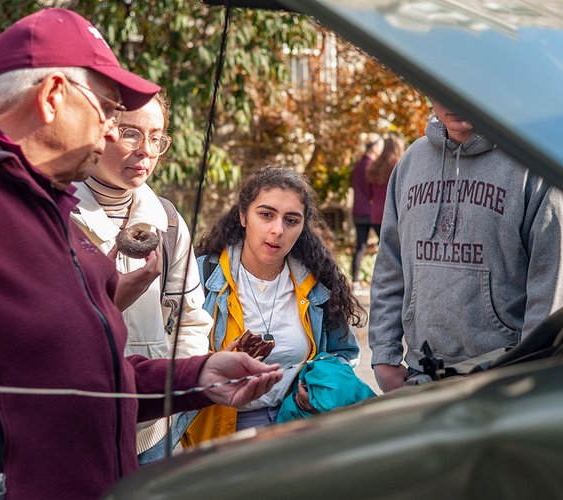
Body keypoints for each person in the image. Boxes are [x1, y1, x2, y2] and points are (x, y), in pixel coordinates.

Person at [0, 8, 281, 499]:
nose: (108, 132)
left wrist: (197, 375)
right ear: (53, 96)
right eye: (106, 109)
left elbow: (92, 376)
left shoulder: (55, 211)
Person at [369, 97, 563, 392]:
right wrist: (384, 354)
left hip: (502, 378)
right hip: (421, 374)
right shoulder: (411, 161)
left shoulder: (536, 166)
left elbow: (555, 278)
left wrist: (533, 372)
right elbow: (390, 263)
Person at [71, 92, 212, 463]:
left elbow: (191, 320)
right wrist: (110, 300)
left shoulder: (167, 221)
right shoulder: (55, 214)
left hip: (151, 436)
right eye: (131, 133)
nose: (146, 150)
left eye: (157, 137)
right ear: (99, 130)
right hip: (74, 428)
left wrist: (174, 394)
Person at [182, 166, 364, 446]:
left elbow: (344, 354)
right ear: (243, 216)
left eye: (291, 220)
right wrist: (211, 364)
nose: (277, 230)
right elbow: (173, 359)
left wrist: (314, 394)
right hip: (220, 435)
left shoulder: (317, 286)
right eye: (266, 215)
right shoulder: (201, 278)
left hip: (299, 426)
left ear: (303, 227)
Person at [350, 136, 383, 285]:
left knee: (360, 246)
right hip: (372, 211)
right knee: (386, 245)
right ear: (375, 147)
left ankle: (355, 281)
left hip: (358, 211)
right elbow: (373, 191)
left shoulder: (357, 165)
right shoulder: (372, 166)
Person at [366, 134, 405, 237]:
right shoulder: (399, 166)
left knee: (383, 248)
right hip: (393, 215)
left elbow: (369, 194)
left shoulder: (374, 166)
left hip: (375, 215)